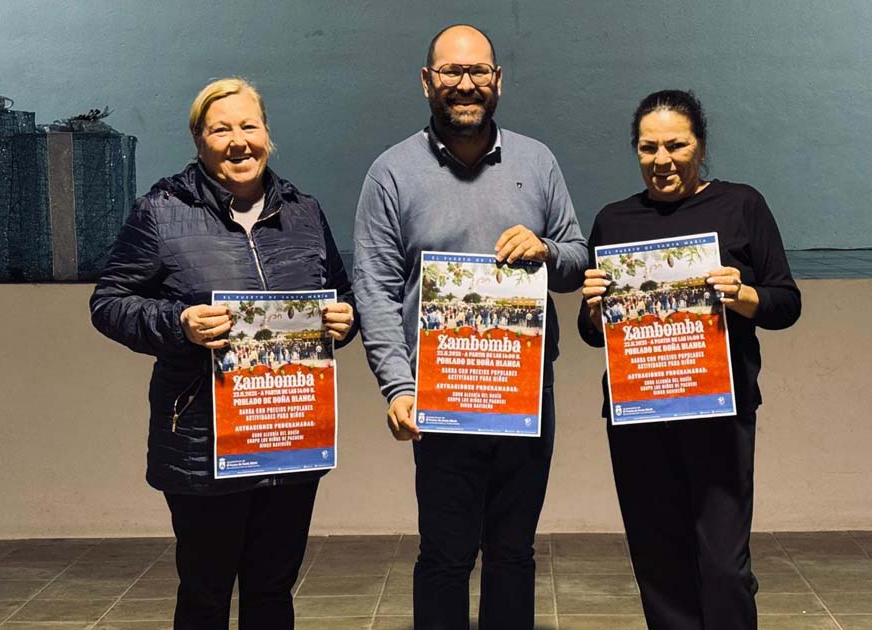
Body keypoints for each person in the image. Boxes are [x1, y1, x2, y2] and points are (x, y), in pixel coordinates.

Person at [89, 77, 357, 630]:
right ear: (198, 140)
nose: (238, 141)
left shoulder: (305, 212)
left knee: (272, 591)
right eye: (220, 129)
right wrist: (177, 323)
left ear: (268, 136)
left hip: (287, 438)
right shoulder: (162, 211)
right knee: (206, 594)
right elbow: (109, 302)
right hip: (200, 445)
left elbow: (341, 295)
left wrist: (344, 322)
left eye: (249, 126)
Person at [352, 24, 587, 630]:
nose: (466, 84)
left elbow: (577, 258)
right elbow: (374, 288)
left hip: (525, 394)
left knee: (513, 554)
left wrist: (547, 249)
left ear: (498, 81)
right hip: (440, 400)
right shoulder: (391, 173)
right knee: (446, 556)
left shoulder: (538, 162)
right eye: (452, 73)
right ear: (427, 82)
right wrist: (398, 388)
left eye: (478, 71)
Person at [578, 89, 801, 630]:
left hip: (721, 415)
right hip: (639, 418)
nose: (662, 160)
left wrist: (745, 296)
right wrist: (592, 310)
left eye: (675, 145)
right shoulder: (614, 221)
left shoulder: (742, 204)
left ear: (700, 144)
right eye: (648, 148)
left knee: (724, 566)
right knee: (659, 564)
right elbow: (593, 334)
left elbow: (785, 302)